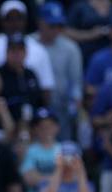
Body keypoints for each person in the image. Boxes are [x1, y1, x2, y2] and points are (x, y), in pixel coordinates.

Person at [0, 1, 55, 99]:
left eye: (18, 18)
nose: (14, 23)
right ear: (2, 20)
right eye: (10, 19)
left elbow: (46, 87)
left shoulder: (39, 49)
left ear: (25, 20)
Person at [33, 2, 83, 140]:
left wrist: (76, 101)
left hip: (61, 107)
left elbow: (76, 82)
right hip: (35, 104)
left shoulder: (70, 48)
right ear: (40, 23)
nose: (55, 30)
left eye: (59, 26)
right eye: (51, 25)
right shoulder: (29, 44)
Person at [0, 34, 45, 123]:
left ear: (26, 52)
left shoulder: (30, 74)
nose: (17, 54)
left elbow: (39, 101)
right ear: (7, 52)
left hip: (30, 125)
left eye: (20, 49)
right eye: (13, 50)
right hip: (2, 125)